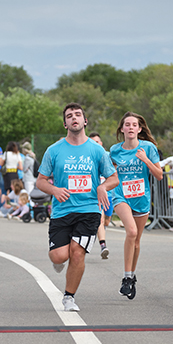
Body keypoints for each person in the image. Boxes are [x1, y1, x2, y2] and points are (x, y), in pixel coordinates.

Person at [36, 103, 118, 312]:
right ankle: (58, 260)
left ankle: (69, 297)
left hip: (89, 209)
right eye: (70, 116)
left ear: (85, 121)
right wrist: (54, 190)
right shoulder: (54, 150)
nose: (74, 118)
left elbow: (114, 178)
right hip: (62, 210)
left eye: (78, 115)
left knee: (77, 252)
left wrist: (102, 186)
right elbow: (41, 181)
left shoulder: (96, 150)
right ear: (65, 123)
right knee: (59, 256)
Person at [110, 112, 163, 299]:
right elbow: (111, 175)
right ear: (122, 129)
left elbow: (159, 175)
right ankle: (126, 277)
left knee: (137, 241)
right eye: (127, 124)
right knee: (131, 232)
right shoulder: (114, 151)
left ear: (139, 129)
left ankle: (131, 276)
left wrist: (146, 160)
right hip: (121, 195)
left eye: (134, 125)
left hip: (141, 197)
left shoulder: (148, 148)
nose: (131, 127)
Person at [89, 131, 114, 259]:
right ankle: (103, 245)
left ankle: (99, 232)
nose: (95, 144)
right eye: (93, 142)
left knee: (107, 221)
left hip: (110, 194)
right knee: (101, 219)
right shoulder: (89, 158)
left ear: (101, 143)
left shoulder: (108, 155)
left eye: (97, 142)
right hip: (97, 195)